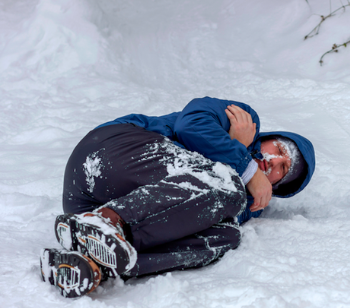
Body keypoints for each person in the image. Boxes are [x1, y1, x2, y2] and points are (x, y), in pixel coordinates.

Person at [39, 97, 315, 298]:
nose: (274, 161)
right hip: (112, 150)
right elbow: (191, 124)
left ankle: (96, 262)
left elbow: (197, 217)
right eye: (279, 148)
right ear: (269, 137)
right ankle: (108, 222)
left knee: (225, 235)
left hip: (88, 207)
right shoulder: (242, 117)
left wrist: (244, 175)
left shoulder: (247, 200)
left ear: (276, 186)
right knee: (226, 185)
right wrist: (244, 162)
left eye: (283, 169)